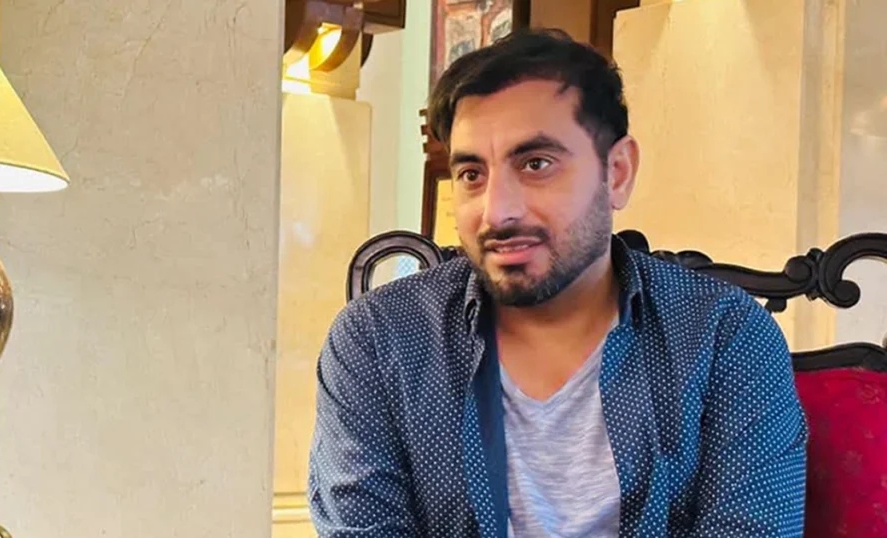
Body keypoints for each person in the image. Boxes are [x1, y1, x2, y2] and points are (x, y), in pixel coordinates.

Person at [308, 28, 807, 537]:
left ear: (617, 173)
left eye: (536, 164)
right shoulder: (378, 339)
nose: (497, 212)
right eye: (472, 174)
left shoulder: (724, 336)